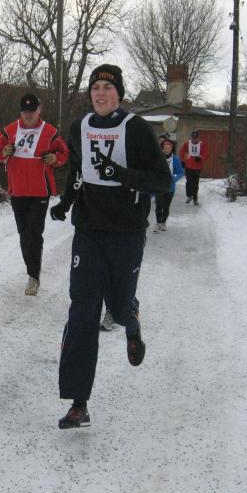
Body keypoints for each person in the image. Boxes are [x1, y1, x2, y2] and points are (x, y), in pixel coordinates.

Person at [49, 64, 171, 429]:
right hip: (88, 230)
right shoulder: (79, 127)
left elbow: (162, 182)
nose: (100, 93)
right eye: (95, 87)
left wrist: (122, 175)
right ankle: (78, 402)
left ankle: (131, 320)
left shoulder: (136, 129)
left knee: (117, 310)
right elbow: (77, 168)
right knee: (82, 313)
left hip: (126, 232)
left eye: (107, 87)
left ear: (119, 93)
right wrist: (66, 201)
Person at [0, 93, 68, 296]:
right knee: (24, 234)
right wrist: (3, 153)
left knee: (34, 233)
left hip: (40, 191)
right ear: (20, 112)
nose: (28, 115)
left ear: (39, 110)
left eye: (32, 111)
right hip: (18, 190)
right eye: (25, 112)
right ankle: (31, 269)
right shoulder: (9, 130)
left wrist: (54, 158)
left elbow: (64, 154)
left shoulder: (50, 131)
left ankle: (33, 276)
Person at [153, 137, 185, 231]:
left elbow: (180, 172)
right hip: (159, 185)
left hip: (170, 187)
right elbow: (153, 170)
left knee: (166, 206)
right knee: (158, 205)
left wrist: (174, 179)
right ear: (162, 148)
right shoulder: (158, 158)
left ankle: (163, 223)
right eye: (165, 147)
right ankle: (158, 223)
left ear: (172, 148)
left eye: (169, 147)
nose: (167, 148)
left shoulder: (175, 159)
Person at [179, 130, 207, 205]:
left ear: (198, 138)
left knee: (195, 183)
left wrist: (200, 158)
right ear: (191, 137)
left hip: (197, 167)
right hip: (188, 166)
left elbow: (205, 154)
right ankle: (189, 196)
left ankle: (195, 198)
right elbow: (181, 152)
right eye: (193, 138)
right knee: (189, 182)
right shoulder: (187, 143)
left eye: (196, 138)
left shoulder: (202, 144)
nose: (194, 139)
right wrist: (182, 161)